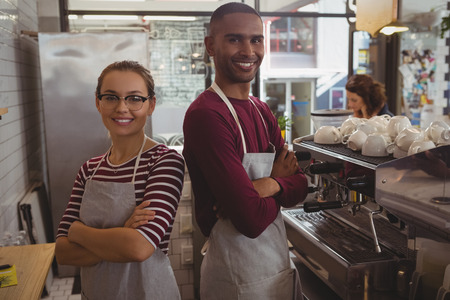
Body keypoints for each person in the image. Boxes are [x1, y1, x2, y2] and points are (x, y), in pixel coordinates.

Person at [182, 3, 308, 299]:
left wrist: (268, 184)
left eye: (256, 39)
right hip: (234, 278)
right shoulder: (207, 115)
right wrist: (273, 188)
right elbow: (249, 220)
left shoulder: (262, 110)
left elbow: (301, 186)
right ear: (211, 46)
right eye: (234, 39)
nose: (248, 50)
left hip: (275, 267)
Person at [55, 60, 185, 299]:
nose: (122, 108)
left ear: (151, 104)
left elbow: (138, 247)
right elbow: (63, 253)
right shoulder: (89, 170)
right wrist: (122, 232)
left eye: (134, 98)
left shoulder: (163, 161)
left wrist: (79, 232)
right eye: (111, 97)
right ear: (98, 102)